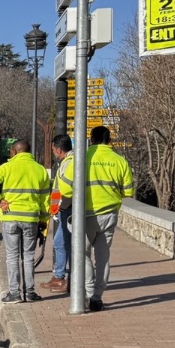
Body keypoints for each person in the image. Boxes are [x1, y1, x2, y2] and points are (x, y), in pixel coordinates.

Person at [58, 126, 134, 312]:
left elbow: (66, 189)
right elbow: (128, 191)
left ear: (90, 140)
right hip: (109, 214)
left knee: (82, 254)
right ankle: (97, 298)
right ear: (109, 141)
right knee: (103, 257)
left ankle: (89, 293)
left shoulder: (81, 159)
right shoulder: (119, 160)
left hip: (85, 215)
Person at [0, 139, 50, 303]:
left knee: (12, 256)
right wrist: (44, 220)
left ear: (15, 151)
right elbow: (45, 199)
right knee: (28, 256)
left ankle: (14, 293)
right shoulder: (40, 170)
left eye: (11, 151)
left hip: (10, 217)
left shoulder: (7, 167)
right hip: (31, 218)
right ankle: (30, 293)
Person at [40, 135, 74, 293]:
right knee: (61, 243)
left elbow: (66, 188)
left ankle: (63, 279)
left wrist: (59, 207)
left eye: (54, 149)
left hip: (67, 209)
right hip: (65, 209)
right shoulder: (68, 161)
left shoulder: (69, 163)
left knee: (62, 243)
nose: (53, 152)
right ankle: (60, 277)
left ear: (59, 150)